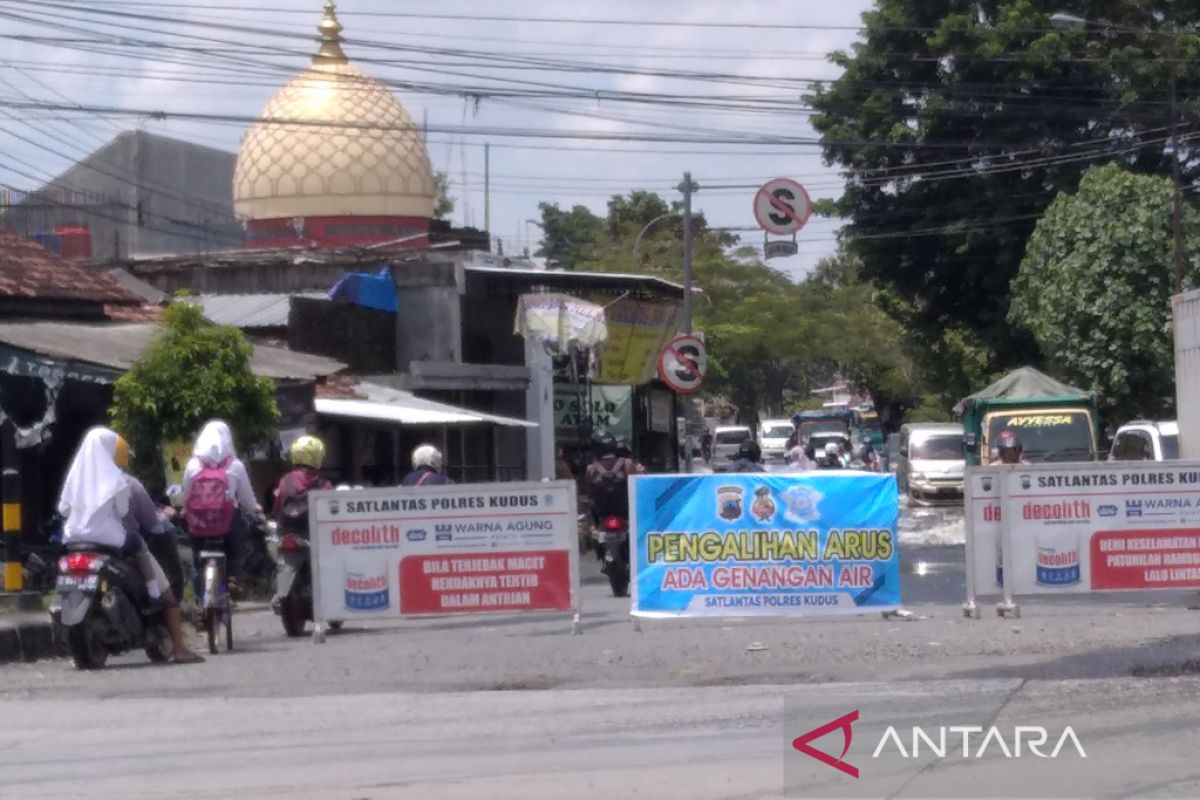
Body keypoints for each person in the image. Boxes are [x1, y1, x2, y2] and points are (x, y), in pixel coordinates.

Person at [58, 427, 201, 664]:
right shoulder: (120, 480)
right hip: (110, 540)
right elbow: (126, 512)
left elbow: (63, 509)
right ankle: (177, 644)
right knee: (160, 580)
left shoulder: (76, 478)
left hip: (74, 540)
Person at [182, 420, 259, 590]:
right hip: (228, 523)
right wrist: (257, 509)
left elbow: (185, 496)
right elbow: (247, 500)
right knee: (239, 544)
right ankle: (233, 576)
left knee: (196, 555)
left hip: (199, 526)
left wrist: (183, 510)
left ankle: (198, 591)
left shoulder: (192, 465)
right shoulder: (236, 466)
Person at [272, 435, 333, 535]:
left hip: (286, 534)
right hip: (315, 537)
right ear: (315, 456)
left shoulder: (284, 480)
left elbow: (276, 508)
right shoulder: (325, 485)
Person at [585, 429, 632, 524]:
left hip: (600, 513)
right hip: (624, 510)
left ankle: (594, 527)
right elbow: (638, 487)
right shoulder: (627, 463)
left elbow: (589, 492)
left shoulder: (591, 469)